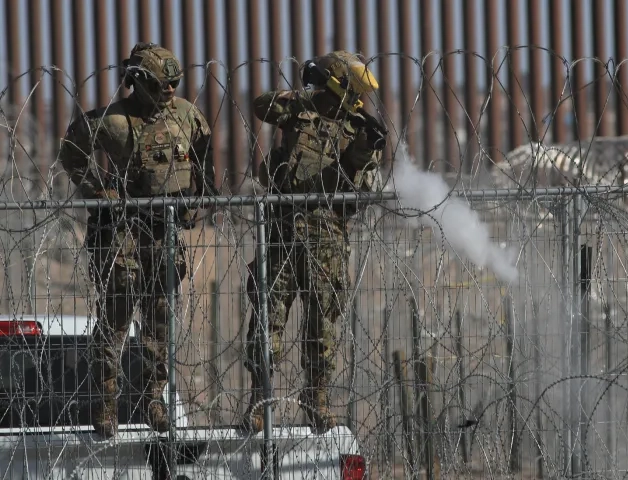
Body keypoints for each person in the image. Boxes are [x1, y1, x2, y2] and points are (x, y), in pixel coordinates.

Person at [58, 42, 215, 438]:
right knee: (116, 315)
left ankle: (154, 401)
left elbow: (204, 150)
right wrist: (99, 192)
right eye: (163, 85)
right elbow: (72, 151)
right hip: (123, 232)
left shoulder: (185, 116)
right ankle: (108, 403)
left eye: (174, 85)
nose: (170, 92)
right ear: (140, 82)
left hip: (164, 230)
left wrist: (201, 194)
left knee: (160, 320)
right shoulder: (113, 122)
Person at [243, 50, 386, 433]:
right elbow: (261, 106)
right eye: (352, 90)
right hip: (282, 233)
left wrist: (359, 157)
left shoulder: (360, 130)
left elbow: (361, 193)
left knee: (321, 327)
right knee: (267, 322)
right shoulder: (299, 111)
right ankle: (259, 400)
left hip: (327, 238)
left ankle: (316, 398)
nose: (358, 100)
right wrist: (307, 95)